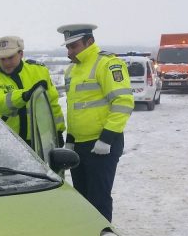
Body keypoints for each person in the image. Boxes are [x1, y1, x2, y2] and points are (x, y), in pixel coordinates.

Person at [57, 23, 134, 222]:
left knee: (99, 199)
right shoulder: (71, 70)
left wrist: (106, 139)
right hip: (79, 146)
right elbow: (75, 108)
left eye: (74, 46)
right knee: (82, 200)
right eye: (68, 47)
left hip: (101, 145)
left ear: (89, 41)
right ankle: (85, 234)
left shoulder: (107, 64)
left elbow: (123, 102)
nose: (69, 52)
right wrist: (70, 139)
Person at [0, 35, 65, 145]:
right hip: (5, 142)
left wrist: (57, 131)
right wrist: (24, 95)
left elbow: (52, 103)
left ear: (21, 54)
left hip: (38, 140)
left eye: (10, 57)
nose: (6, 63)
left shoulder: (40, 71)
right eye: (2, 59)